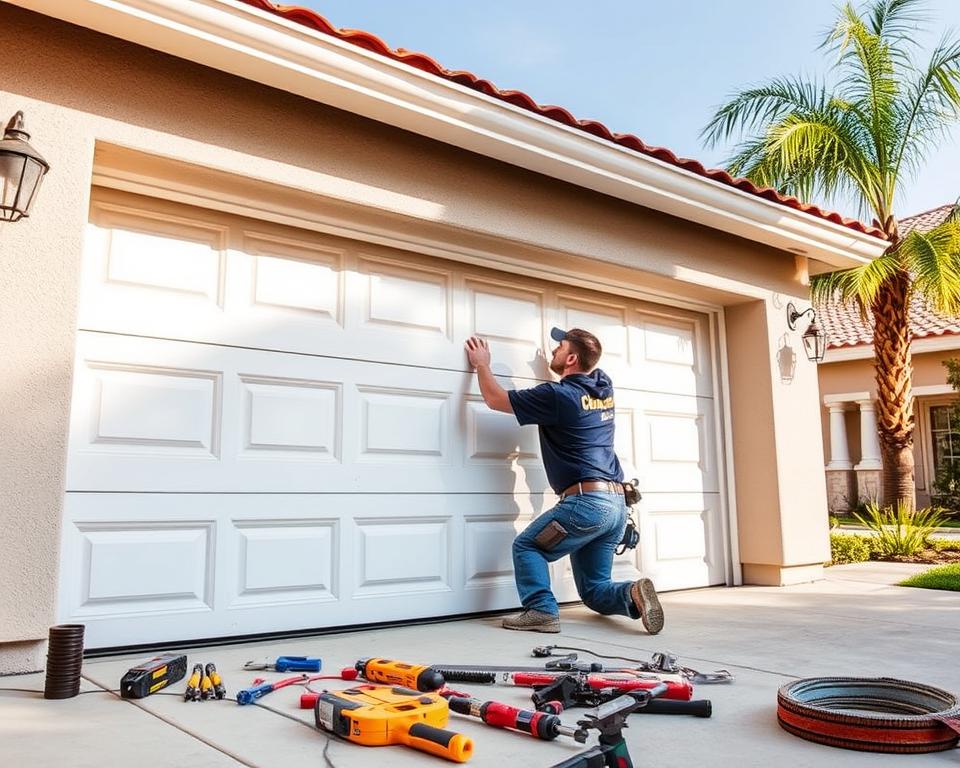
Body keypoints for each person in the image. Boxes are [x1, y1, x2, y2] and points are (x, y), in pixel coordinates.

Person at [464, 327, 663, 634]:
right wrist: (554, 368)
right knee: (595, 590)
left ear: (571, 358)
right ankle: (631, 593)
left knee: (528, 547)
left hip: (586, 506)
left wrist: (482, 364)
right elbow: (575, 386)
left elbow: (495, 399)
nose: (553, 349)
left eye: (559, 347)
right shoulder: (603, 386)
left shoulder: (556, 396)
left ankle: (541, 610)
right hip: (615, 508)